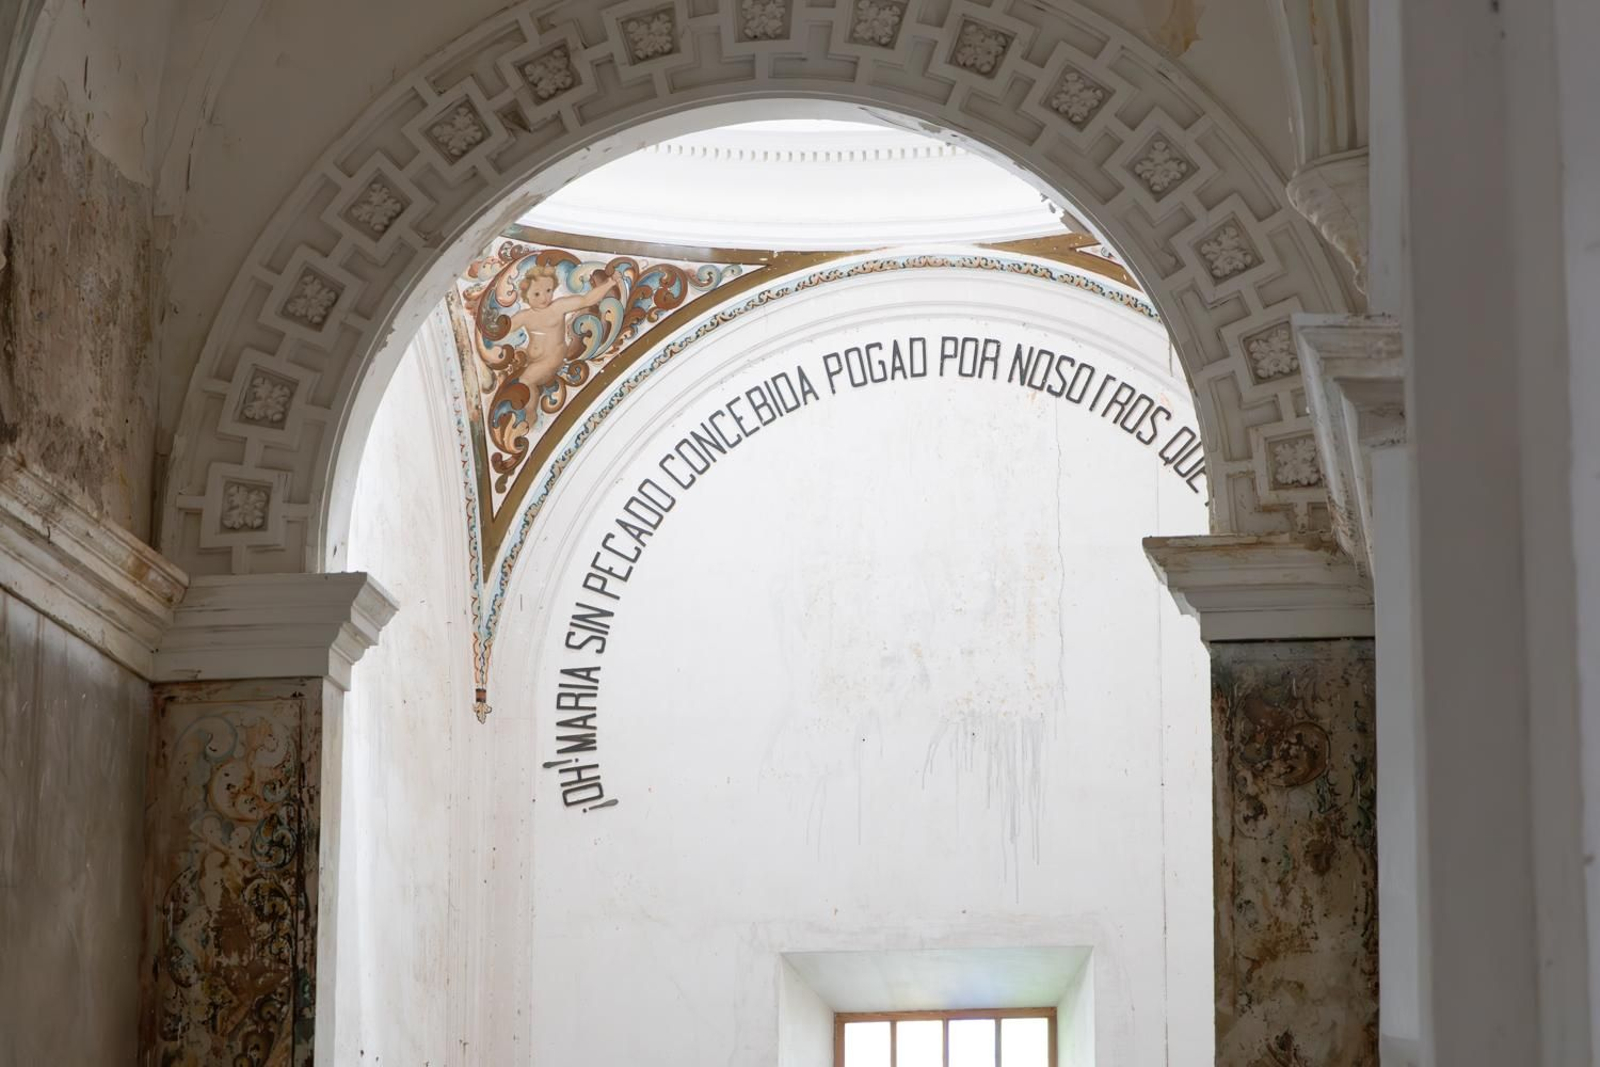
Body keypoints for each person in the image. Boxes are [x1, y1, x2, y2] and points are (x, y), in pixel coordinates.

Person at [503, 264, 620, 391]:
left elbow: (586, 300)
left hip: (552, 359)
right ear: (526, 296)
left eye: (548, 291)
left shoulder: (558, 307)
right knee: (513, 383)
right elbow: (505, 330)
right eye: (537, 294)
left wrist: (610, 282)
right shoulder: (525, 316)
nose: (544, 298)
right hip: (533, 361)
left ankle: (530, 412)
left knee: (525, 381)